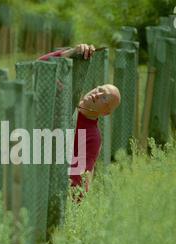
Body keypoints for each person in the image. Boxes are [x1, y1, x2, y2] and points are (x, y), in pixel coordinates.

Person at [38, 44, 121, 195]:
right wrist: (71, 52)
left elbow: (78, 180)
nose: (97, 94)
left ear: (106, 113)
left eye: (104, 98)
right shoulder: (64, 96)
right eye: (100, 90)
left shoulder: (92, 136)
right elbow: (39, 66)